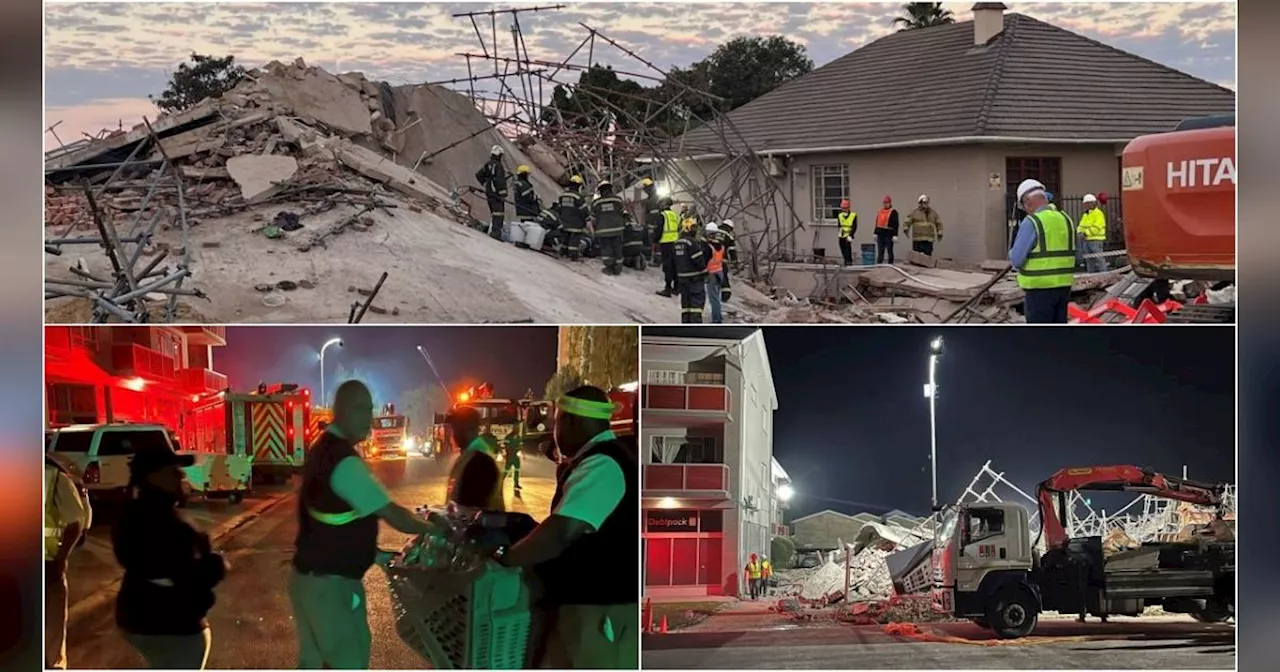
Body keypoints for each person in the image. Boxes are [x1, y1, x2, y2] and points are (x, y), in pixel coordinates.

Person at [290, 380, 437, 669]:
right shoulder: (344, 462)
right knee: (350, 660)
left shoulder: (325, 449)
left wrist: (376, 555)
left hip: (309, 581)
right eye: (360, 408)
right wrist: (436, 528)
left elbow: (335, 524)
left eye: (370, 409)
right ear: (340, 411)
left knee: (314, 663)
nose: (368, 417)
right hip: (330, 589)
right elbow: (395, 515)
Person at [502, 386, 637, 669]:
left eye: (557, 421)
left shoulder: (603, 464)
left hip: (599, 613)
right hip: (583, 608)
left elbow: (561, 532)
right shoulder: (595, 459)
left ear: (572, 421)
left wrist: (508, 559)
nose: (554, 430)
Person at [113, 444, 224, 669]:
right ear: (153, 477)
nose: (181, 475)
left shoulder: (138, 512)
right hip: (169, 627)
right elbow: (183, 575)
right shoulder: (155, 521)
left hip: (147, 620)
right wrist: (216, 564)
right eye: (173, 471)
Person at [1009, 178, 1076, 324]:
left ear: (1028, 201)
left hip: (1039, 290)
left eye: (1024, 206)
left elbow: (1016, 259)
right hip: (1064, 288)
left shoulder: (1032, 222)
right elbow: (1078, 257)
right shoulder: (1066, 219)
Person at [45, 455, 90, 670]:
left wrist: (60, 558)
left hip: (48, 567)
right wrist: (61, 558)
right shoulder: (54, 477)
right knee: (51, 636)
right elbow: (77, 520)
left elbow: (76, 522)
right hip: (49, 565)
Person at [446, 405, 506, 511]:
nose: (452, 434)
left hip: (479, 527)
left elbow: (467, 513)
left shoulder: (480, 462)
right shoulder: (469, 455)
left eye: (456, 428)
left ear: (470, 428)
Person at [673, 218, 707, 323]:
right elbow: (698, 261)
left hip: (682, 279)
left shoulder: (677, 243)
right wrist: (705, 272)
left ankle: (685, 323)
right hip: (694, 279)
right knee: (696, 305)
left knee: (686, 305)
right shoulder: (692, 243)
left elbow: (673, 262)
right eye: (693, 227)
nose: (695, 229)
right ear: (687, 228)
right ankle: (695, 326)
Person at [591, 180, 627, 275]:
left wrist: (595, 229)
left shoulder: (596, 203)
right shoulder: (618, 200)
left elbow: (593, 219)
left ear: (601, 191)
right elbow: (624, 214)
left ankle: (609, 267)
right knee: (618, 248)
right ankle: (618, 267)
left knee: (606, 249)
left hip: (603, 231)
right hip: (618, 230)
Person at [475, 145, 509, 240]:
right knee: (499, 214)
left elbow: (478, 175)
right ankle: (495, 233)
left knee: (494, 213)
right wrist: (503, 194)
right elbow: (500, 180)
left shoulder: (488, 164)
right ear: (499, 155)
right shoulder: (498, 166)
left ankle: (493, 231)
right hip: (496, 194)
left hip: (489, 192)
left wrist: (486, 183)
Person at [554, 175, 591, 261]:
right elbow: (584, 211)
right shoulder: (578, 197)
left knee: (565, 239)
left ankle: (562, 252)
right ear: (578, 186)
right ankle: (573, 255)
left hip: (564, 222)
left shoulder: (562, 195)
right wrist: (587, 220)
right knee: (574, 241)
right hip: (576, 224)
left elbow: (559, 208)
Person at [703, 222, 729, 324]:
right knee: (717, 297)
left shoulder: (709, 247)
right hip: (719, 272)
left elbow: (704, 261)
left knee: (713, 298)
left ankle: (716, 319)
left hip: (711, 274)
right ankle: (719, 316)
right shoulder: (721, 246)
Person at [655, 198, 680, 297]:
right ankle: (676, 288)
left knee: (667, 267)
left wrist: (655, 239)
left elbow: (659, 229)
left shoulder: (663, 215)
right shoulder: (675, 215)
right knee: (675, 266)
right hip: (675, 242)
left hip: (666, 243)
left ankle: (667, 289)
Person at [1078, 193, 1108, 273]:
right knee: (1089, 259)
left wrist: (1085, 233)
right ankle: (1091, 274)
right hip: (1086, 240)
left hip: (1096, 240)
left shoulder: (1098, 214)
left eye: (1085, 204)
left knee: (1099, 258)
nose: (1084, 206)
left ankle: (1104, 274)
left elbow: (1097, 227)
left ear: (1091, 203)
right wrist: (1080, 232)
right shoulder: (1086, 214)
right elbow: (1081, 225)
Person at [513, 164, 542, 244]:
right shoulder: (524, 185)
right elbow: (528, 198)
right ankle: (524, 242)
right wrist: (536, 198)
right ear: (524, 174)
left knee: (523, 226)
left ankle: (520, 241)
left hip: (520, 209)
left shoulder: (517, 183)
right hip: (527, 209)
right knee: (528, 227)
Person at [873, 195, 900, 264]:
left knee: (889, 251)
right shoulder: (880, 211)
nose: (885, 204)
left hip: (889, 234)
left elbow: (896, 224)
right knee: (880, 251)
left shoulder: (893, 212)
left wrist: (895, 235)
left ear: (890, 203)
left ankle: (890, 265)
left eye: (887, 203)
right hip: (880, 233)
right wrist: (875, 233)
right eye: (884, 203)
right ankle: (879, 265)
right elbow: (877, 222)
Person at [640, 177, 662, 262]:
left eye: (645, 189)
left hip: (654, 224)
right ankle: (648, 256)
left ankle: (656, 259)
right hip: (651, 223)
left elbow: (655, 212)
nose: (644, 191)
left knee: (655, 242)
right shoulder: (651, 197)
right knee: (648, 240)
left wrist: (651, 224)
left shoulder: (655, 198)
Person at [836, 200, 858, 266]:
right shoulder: (840, 215)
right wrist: (840, 232)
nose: (843, 209)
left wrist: (851, 235)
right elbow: (839, 225)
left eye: (845, 208)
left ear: (848, 208)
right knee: (842, 246)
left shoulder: (853, 215)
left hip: (849, 234)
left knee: (848, 247)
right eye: (842, 208)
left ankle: (849, 261)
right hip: (842, 233)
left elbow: (854, 226)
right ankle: (845, 260)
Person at [502, 434, 523, 498]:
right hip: (510, 456)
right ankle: (500, 482)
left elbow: (521, 446)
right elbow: (505, 446)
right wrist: (505, 454)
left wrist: (522, 452)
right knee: (506, 470)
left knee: (517, 470)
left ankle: (516, 484)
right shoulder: (508, 437)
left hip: (515, 456)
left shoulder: (518, 437)